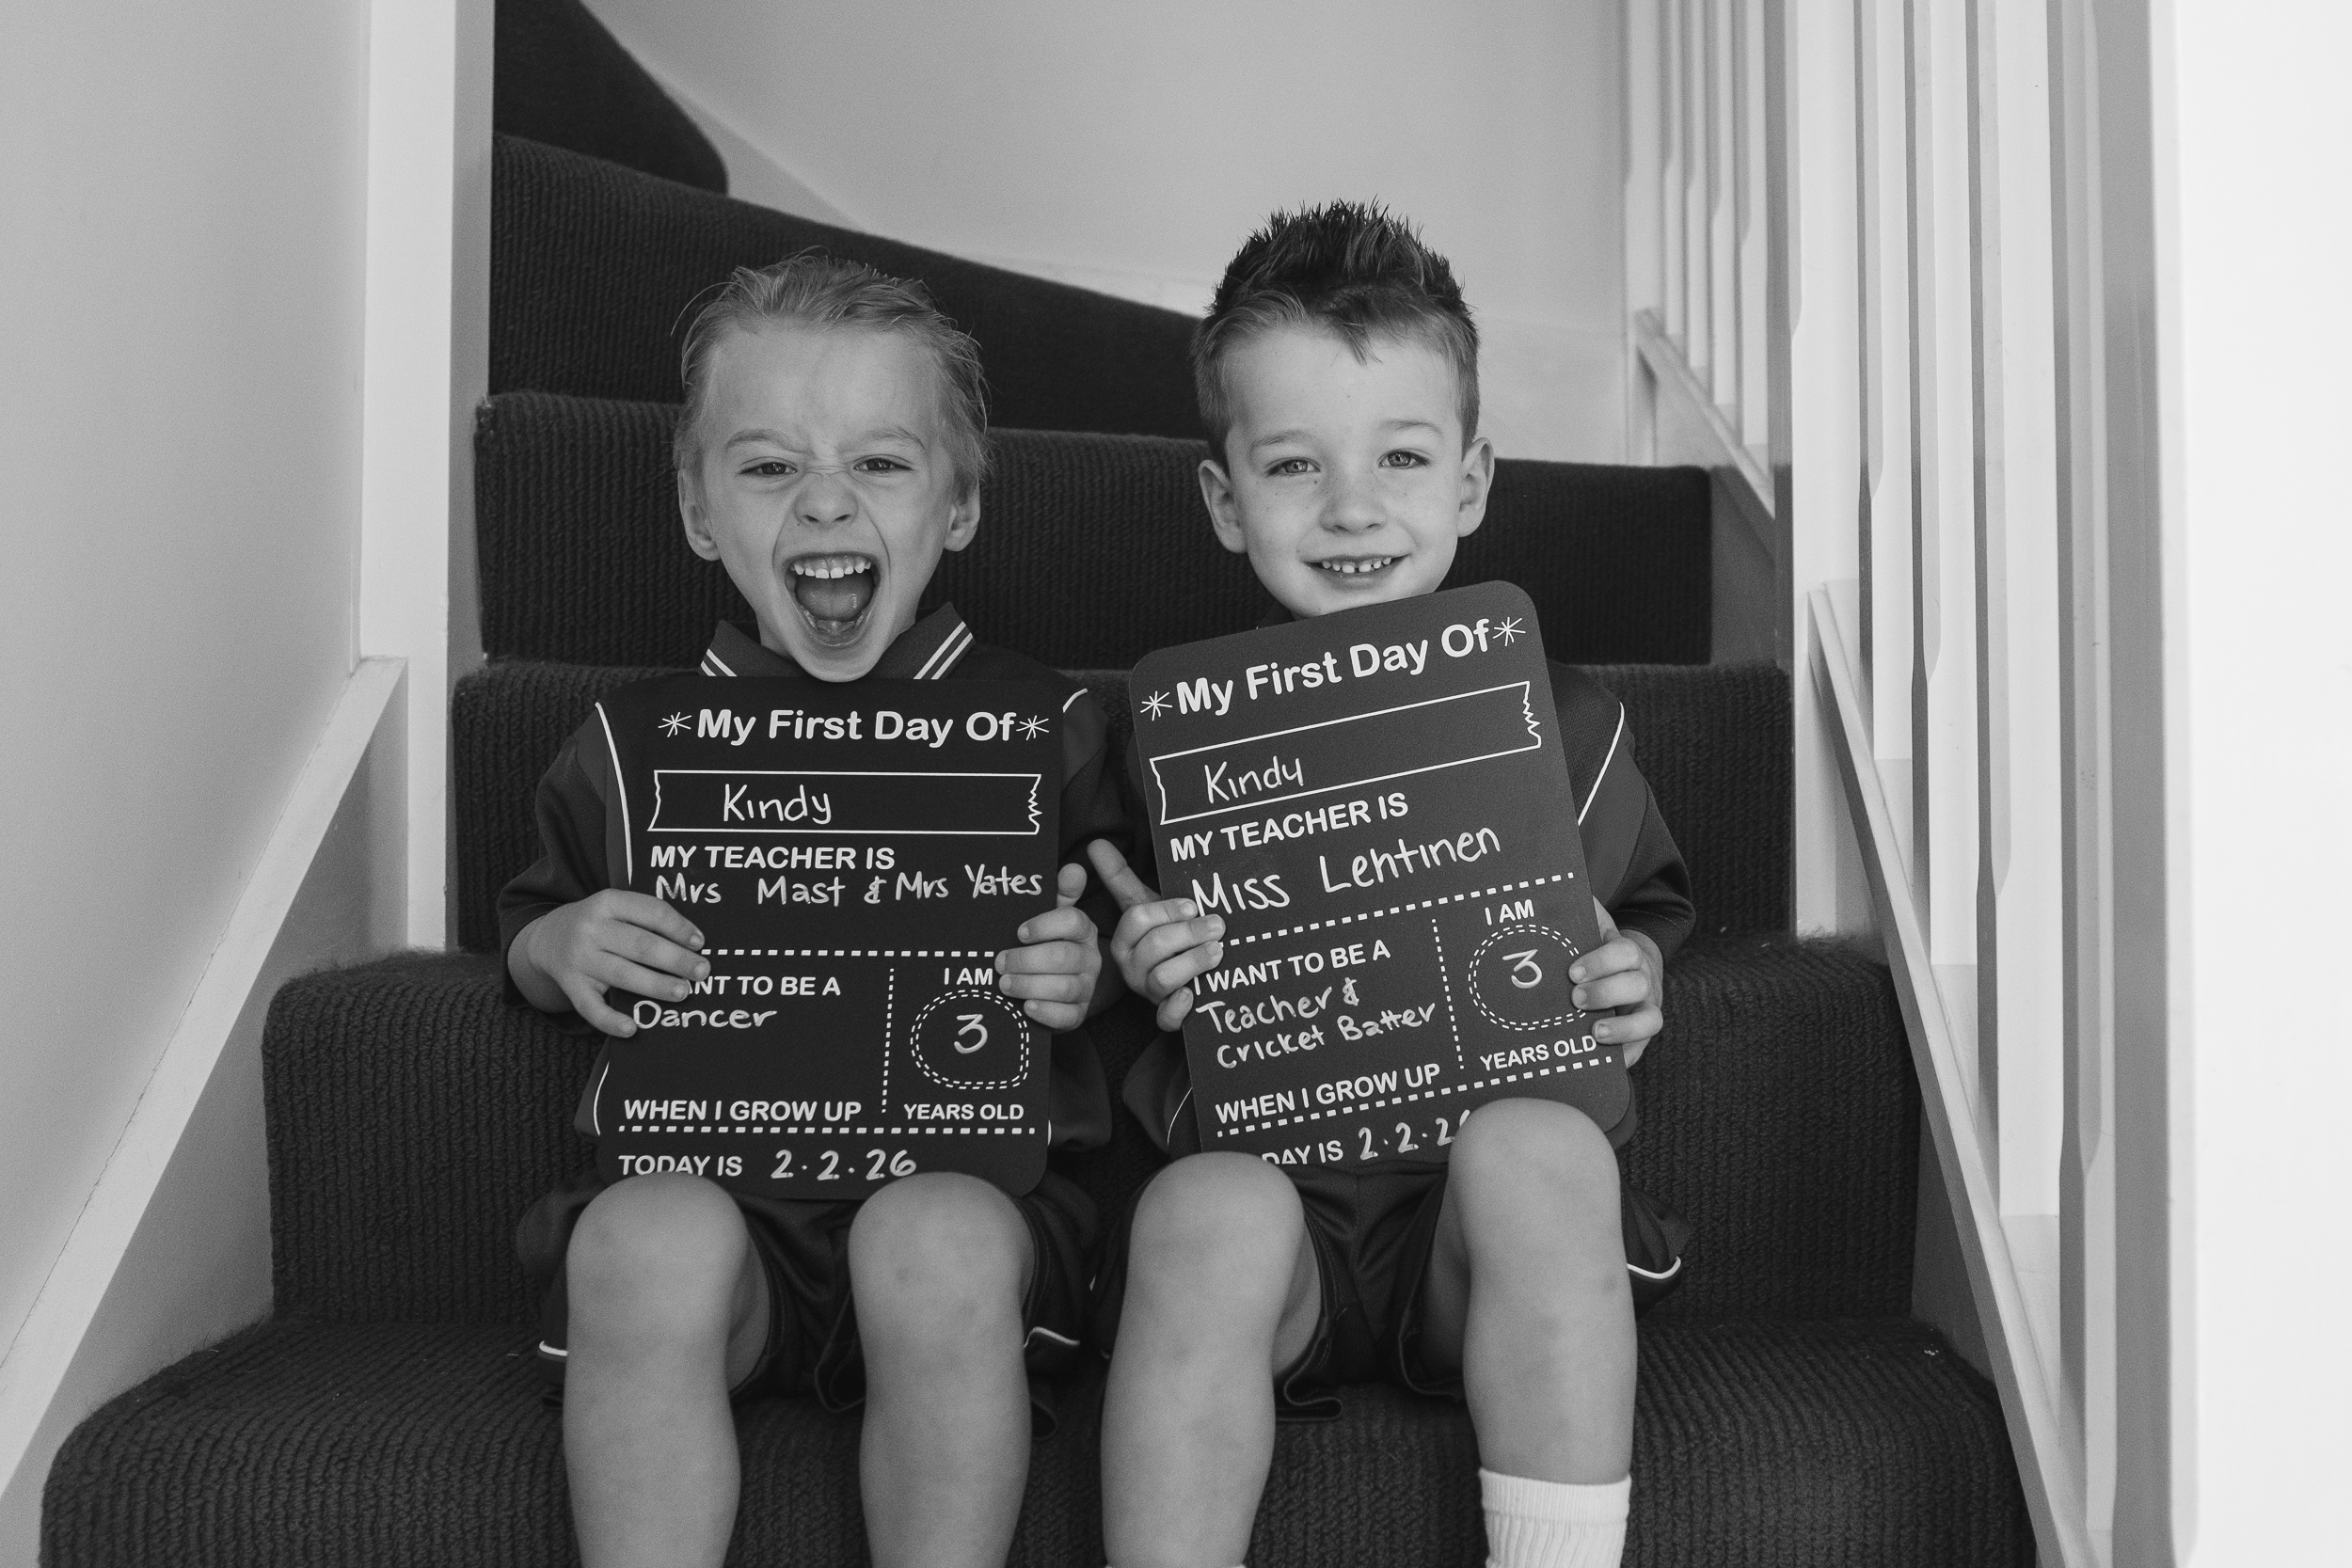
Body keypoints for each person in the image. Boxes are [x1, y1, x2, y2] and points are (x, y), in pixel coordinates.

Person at [1086, 203, 1696, 1568]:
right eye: (1294, 464)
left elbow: (1646, 909)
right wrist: (1139, 964)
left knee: (1543, 1151)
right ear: (1225, 500)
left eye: (1402, 458)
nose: (1352, 507)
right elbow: (1098, 955)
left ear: (1471, 484)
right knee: (1199, 1210)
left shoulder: (1566, 723)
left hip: (1472, 1238)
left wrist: (1635, 972)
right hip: (1273, 1224)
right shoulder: (1169, 740)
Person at [500, 255, 1133, 1568]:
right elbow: (531, 929)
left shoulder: (1055, 728)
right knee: (639, 1238)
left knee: (940, 1239)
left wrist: (1090, 971)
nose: (826, 500)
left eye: (882, 464)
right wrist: (560, 945)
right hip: (720, 1214)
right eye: (770, 467)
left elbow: (1134, 940)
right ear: (698, 510)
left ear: (960, 504)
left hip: (963, 1210)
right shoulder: (630, 746)